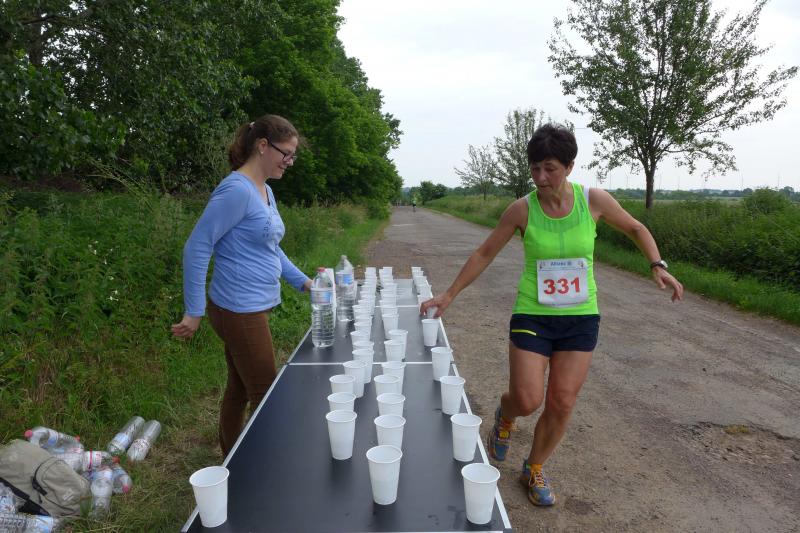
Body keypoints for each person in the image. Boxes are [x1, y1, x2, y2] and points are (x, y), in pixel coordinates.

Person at [420, 123, 683, 507]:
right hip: (533, 314)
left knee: (561, 402)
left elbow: (635, 227)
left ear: (569, 167)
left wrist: (657, 265)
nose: (541, 177)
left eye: (550, 168)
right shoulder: (521, 209)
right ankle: (506, 415)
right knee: (528, 399)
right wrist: (450, 293)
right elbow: (484, 253)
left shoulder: (593, 201)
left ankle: (534, 466)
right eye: (535, 168)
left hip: (581, 318)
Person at [171, 115, 312, 455]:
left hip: (253, 307)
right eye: (286, 153)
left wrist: (304, 282)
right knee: (266, 395)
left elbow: (271, 248)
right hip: (238, 309)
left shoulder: (265, 191)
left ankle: (231, 457)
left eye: (293, 155)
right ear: (263, 146)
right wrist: (193, 311)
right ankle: (264, 468)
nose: (290, 162)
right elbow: (198, 245)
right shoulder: (236, 190)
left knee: (239, 388)